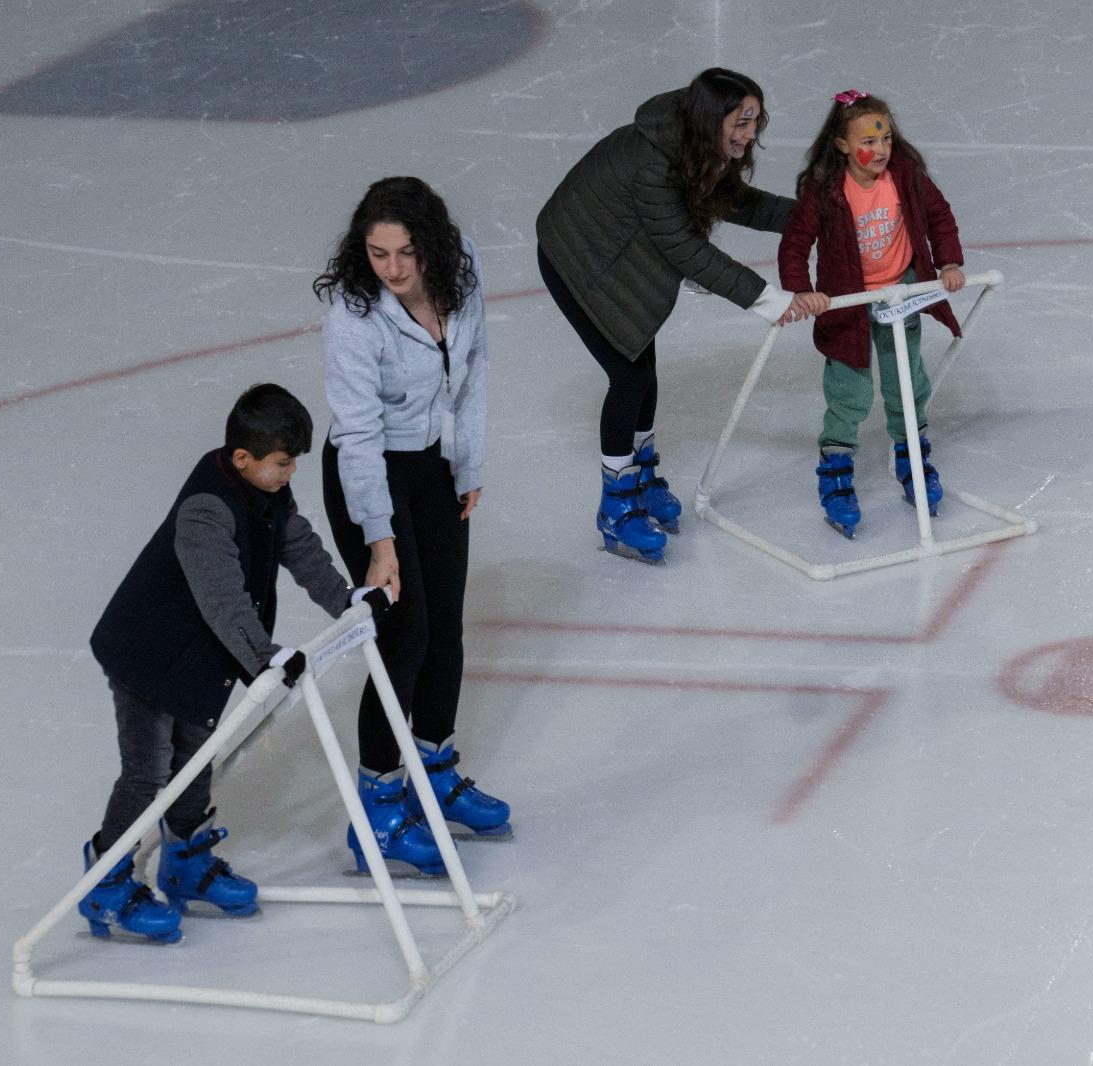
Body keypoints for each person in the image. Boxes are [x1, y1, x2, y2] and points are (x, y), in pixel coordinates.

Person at [83, 384, 387, 942]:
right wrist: (266, 658)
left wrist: (345, 599)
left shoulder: (265, 492)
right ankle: (105, 879)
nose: (290, 472)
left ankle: (185, 862)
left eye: (293, 461)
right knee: (148, 771)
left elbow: (299, 546)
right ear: (243, 459)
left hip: (200, 658)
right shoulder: (206, 510)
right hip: (148, 656)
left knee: (195, 759)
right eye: (282, 463)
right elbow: (221, 596)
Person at [536, 66, 817, 564]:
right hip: (577, 256)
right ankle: (615, 505)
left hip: (617, 251)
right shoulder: (654, 164)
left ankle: (640, 477)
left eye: (756, 120)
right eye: (743, 121)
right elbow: (686, 251)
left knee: (642, 366)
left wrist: (810, 219)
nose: (752, 133)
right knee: (628, 374)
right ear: (712, 119)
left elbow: (734, 201)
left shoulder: (692, 147)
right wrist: (770, 300)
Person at [315, 176, 508, 878]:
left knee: (447, 627)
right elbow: (359, 433)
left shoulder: (462, 265)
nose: (391, 270)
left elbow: (475, 365)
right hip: (370, 479)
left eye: (403, 253)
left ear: (431, 244)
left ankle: (434, 766)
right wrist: (380, 538)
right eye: (376, 253)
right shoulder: (353, 313)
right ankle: (378, 805)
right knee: (406, 634)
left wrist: (468, 462)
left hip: (434, 463)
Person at [777, 90, 967, 538]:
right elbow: (795, 242)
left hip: (902, 292)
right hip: (849, 303)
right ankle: (836, 468)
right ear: (842, 145)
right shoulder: (826, 190)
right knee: (850, 391)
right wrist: (803, 290)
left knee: (907, 381)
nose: (880, 149)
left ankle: (912, 455)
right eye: (868, 140)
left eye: (885, 137)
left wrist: (950, 262)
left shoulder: (905, 174)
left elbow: (939, 216)